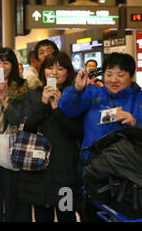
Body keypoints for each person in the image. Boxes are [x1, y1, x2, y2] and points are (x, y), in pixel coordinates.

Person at [58, 52, 142, 221]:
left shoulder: (139, 99)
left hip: (128, 177)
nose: (113, 80)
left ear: (131, 76)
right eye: (109, 74)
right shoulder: (92, 93)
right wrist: (77, 88)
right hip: (94, 173)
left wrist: (136, 123)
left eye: (120, 74)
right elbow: (67, 108)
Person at [18, 52, 83, 222]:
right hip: (39, 172)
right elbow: (27, 128)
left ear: (68, 73)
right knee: (42, 217)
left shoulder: (75, 96)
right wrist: (43, 102)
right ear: (43, 72)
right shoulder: (33, 95)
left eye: (60, 68)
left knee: (67, 216)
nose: (54, 72)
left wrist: (58, 109)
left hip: (66, 173)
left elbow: (77, 132)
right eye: (49, 68)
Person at [0, 47, 33, 222]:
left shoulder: (22, 87)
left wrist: (4, 100)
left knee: (13, 198)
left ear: (13, 65)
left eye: (6, 62)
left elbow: (20, 120)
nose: (1, 65)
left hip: (13, 149)